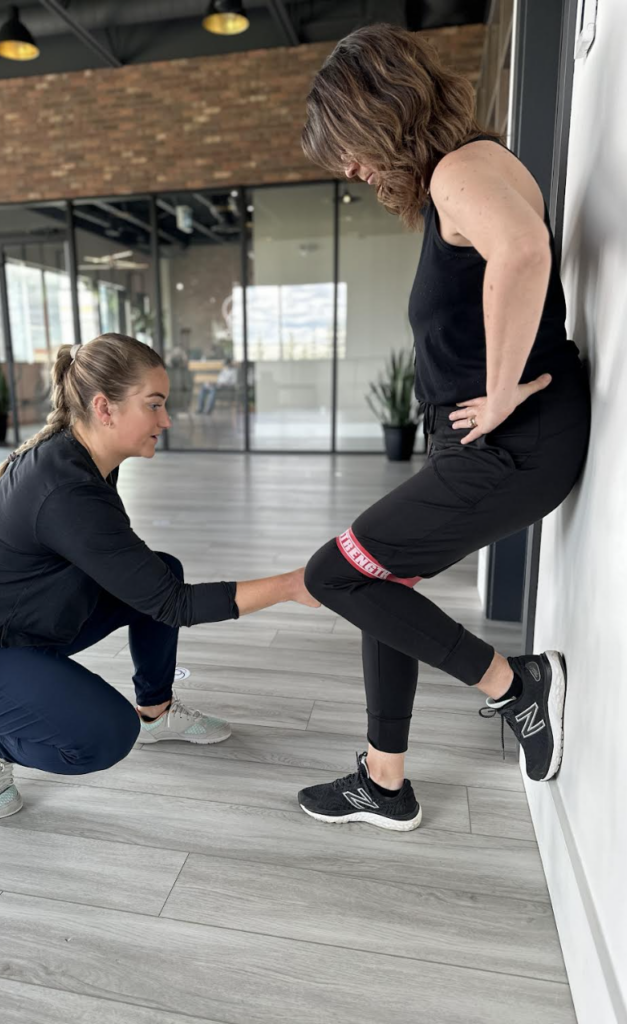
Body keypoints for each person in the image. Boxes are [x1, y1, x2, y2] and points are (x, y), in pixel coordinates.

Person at [296, 25, 590, 831]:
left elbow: (523, 253)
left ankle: (513, 687)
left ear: (381, 108)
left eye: (348, 148)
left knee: (335, 576)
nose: (351, 170)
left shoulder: (464, 169)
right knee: (378, 583)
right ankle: (382, 782)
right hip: (488, 442)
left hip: (507, 443)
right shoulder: (456, 178)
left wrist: (496, 396)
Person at [0, 333, 317, 820]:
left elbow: (146, 581)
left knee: (161, 569)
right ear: (104, 408)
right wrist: (293, 585)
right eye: (154, 405)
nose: (166, 420)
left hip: (29, 624)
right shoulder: (65, 487)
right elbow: (174, 604)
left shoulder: (86, 459)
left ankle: (157, 711)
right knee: (105, 736)